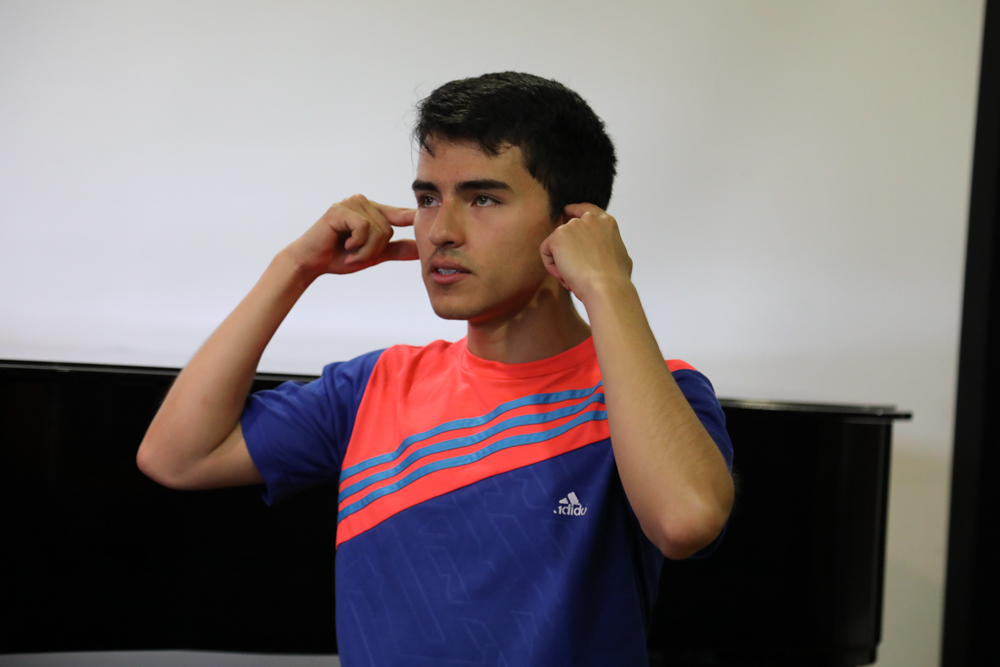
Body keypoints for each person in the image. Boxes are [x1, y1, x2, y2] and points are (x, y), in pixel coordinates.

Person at [137, 71, 735, 666]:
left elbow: (685, 522)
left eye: (482, 199)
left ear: (572, 225)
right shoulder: (375, 385)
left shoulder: (657, 394)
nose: (441, 232)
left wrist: (607, 285)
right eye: (428, 199)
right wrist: (294, 266)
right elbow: (176, 457)